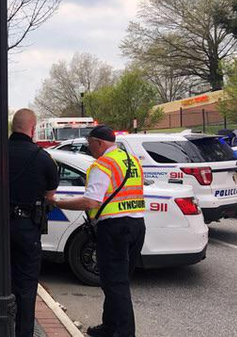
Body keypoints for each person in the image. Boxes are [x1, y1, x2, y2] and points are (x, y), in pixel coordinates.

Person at [0, 108, 59, 337]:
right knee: (26, 287)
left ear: (13, 127)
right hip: (27, 229)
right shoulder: (43, 158)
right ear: (32, 128)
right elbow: (51, 195)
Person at [54, 125, 146, 337]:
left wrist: (59, 203)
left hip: (114, 228)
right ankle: (109, 327)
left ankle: (123, 333)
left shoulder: (103, 164)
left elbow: (91, 200)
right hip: (136, 226)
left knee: (115, 284)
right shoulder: (131, 160)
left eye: (89, 144)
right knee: (117, 282)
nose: (89, 148)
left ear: (99, 143)